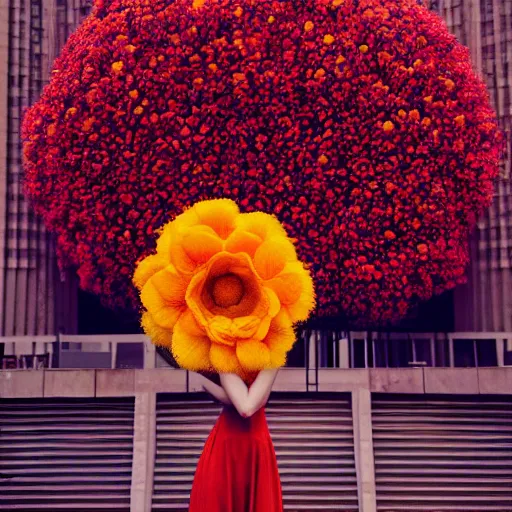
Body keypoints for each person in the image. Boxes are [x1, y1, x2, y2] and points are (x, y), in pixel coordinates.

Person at [188, 368, 283, 512]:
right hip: (228, 447)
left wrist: (224, 392)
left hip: (251, 446)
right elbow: (248, 406)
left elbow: (247, 407)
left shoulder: (273, 357)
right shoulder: (223, 356)